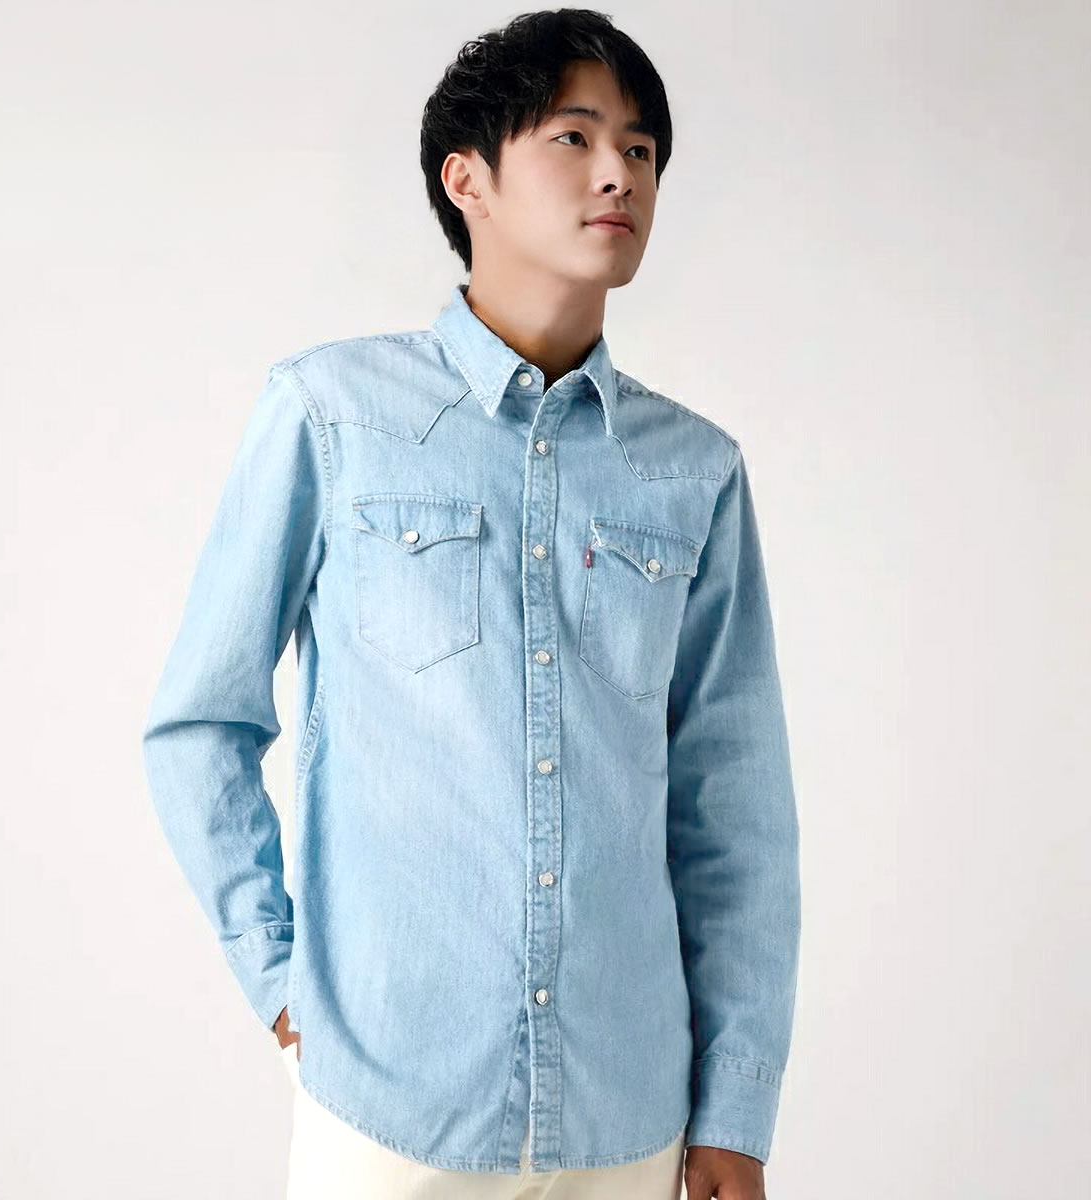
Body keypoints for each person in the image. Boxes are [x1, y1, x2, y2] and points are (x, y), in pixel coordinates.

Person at [141, 9, 801, 1198]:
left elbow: (733, 814)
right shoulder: (333, 415)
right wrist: (284, 986)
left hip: (629, 1119)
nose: (620, 173)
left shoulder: (693, 471)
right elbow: (201, 724)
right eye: (575, 137)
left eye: (642, 148)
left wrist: (735, 1112)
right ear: (469, 180)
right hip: (388, 1109)